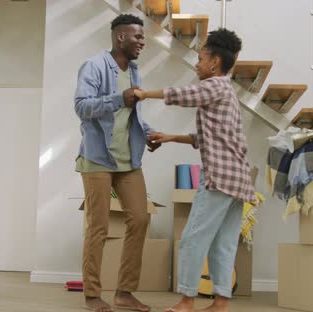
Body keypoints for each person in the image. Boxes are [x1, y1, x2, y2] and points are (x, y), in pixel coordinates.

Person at [134, 28, 257, 312]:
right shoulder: (225, 92)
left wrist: (143, 94)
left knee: (192, 238)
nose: (197, 64)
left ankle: (187, 300)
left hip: (220, 179)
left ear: (215, 62)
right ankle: (221, 303)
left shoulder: (216, 85)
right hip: (236, 180)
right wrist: (170, 137)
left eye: (201, 58)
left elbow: (184, 94)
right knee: (223, 243)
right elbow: (208, 137)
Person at [74, 14, 160, 312]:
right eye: (138, 37)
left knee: (140, 218)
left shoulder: (134, 70)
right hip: (97, 158)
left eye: (143, 37)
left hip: (129, 160)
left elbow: (132, 113)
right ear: (120, 36)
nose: (142, 42)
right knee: (97, 226)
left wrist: (148, 133)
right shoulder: (94, 66)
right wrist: (117, 99)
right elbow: (82, 107)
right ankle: (92, 295)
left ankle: (124, 292)